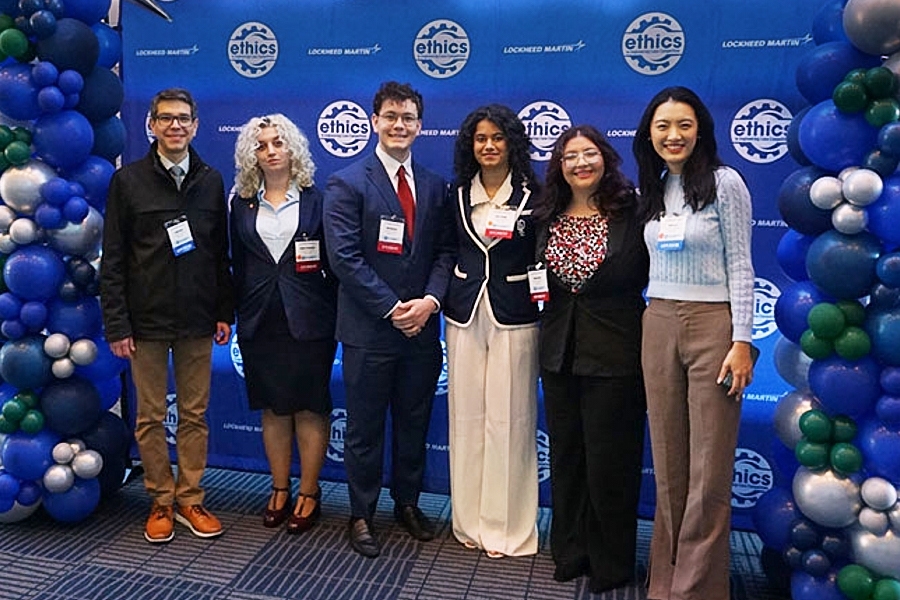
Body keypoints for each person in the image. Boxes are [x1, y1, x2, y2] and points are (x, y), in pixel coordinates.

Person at [632, 86, 755, 600]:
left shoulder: (725, 183)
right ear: (650, 135)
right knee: (669, 462)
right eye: (663, 126)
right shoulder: (656, 187)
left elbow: (743, 264)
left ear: (700, 128)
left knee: (709, 466)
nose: (673, 135)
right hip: (657, 321)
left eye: (683, 124)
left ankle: (698, 589)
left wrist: (743, 340)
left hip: (713, 327)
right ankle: (666, 580)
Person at [323, 81, 454, 558]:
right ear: (374, 121)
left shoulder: (438, 186)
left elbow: (444, 253)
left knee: (414, 422)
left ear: (420, 125)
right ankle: (361, 513)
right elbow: (344, 258)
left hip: (422, 329)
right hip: (369, 330)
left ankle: (408, 503)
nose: (400, 125)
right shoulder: (347, 182)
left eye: (409, 118)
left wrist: (428, 303)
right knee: (363, 428)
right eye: (391, 116)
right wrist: (391, 308)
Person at [100, 87, 235, 544]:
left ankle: (190, 499)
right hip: (146, 322)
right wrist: (117, 324)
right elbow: (113, 258)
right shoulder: (128, 182)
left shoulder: (212, 180)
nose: (175, 126)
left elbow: (219, 255)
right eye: (166, 119)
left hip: (198, 319)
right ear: (152, 126)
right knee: (150, 416)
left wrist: (223, 310)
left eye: (183, 119)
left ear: (195, 126)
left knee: (195, 414)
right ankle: (160, 500)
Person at [534, 125, 649, 593]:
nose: (580, 163)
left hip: (618, 350)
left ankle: (611, 560)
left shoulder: (633, 211)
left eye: (588, 154)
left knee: (612, 461)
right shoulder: (547, 214)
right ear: (559, 167)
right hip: (559, 351)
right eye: (569, 157)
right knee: (567, 455)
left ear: (606, 158)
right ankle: (571, 549)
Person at [230, 114, 337, 534]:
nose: (271, 151)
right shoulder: (240, 201)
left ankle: (309, 492)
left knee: (310, 406)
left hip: (310, 318)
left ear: (293, 148)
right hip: (260, 319)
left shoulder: (318, 199)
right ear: (250, 155)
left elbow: (333, 261)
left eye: (278, 142)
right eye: (261, 145)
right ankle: (279, 488)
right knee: (273, 408)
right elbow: (237, 263)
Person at [443, 104, 541, 558]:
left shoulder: (534, 194)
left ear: (512, 142)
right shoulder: (457, 193)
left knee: (511, 421)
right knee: (465, 419)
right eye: (480, 138)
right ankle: (467, 523)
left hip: (515, 313)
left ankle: (507, 530)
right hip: (463, 312)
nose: (488, 146)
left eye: (497, 138)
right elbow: (447, 248)